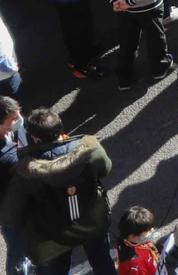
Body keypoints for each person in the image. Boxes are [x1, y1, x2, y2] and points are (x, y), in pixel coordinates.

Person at [1, 108, 114, 275]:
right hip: (92, 219)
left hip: (54, 234)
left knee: (57, 270)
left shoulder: (26, 171)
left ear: (35, 138)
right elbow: (105, 168)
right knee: (103, 262)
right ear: (60, 128)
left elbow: (10, 215)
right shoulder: (90, 149)